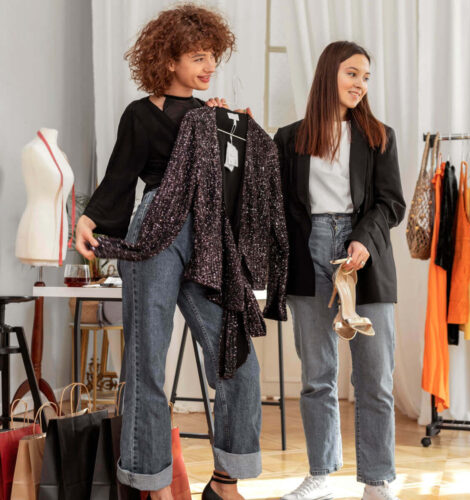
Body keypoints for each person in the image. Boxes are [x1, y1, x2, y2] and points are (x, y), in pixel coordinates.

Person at [75, 5, 270, 500]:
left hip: (206, 234)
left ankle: (225, 483)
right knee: (147, 361)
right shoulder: (140, 114)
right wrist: (88, 220)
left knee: (237, 357)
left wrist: (235, 134)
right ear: (169, 60)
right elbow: (120, 177)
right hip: (154, 229)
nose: (209, 66)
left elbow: (238, 188)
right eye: (198, 57)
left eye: (212, 56)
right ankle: (154, 486)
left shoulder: (214, 115)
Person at [274, 41, 406, 500]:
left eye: (366, 77)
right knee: (317, 376)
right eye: (352, 73)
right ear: (329, 73)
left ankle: (377, 481)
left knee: (375, 379)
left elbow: (391, 203)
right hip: (308, 252)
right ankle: (320, 476)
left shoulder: (379, 136)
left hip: (365, 255)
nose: (360, 84)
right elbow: (276, 205)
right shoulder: (289, 138)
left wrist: (363, 239)